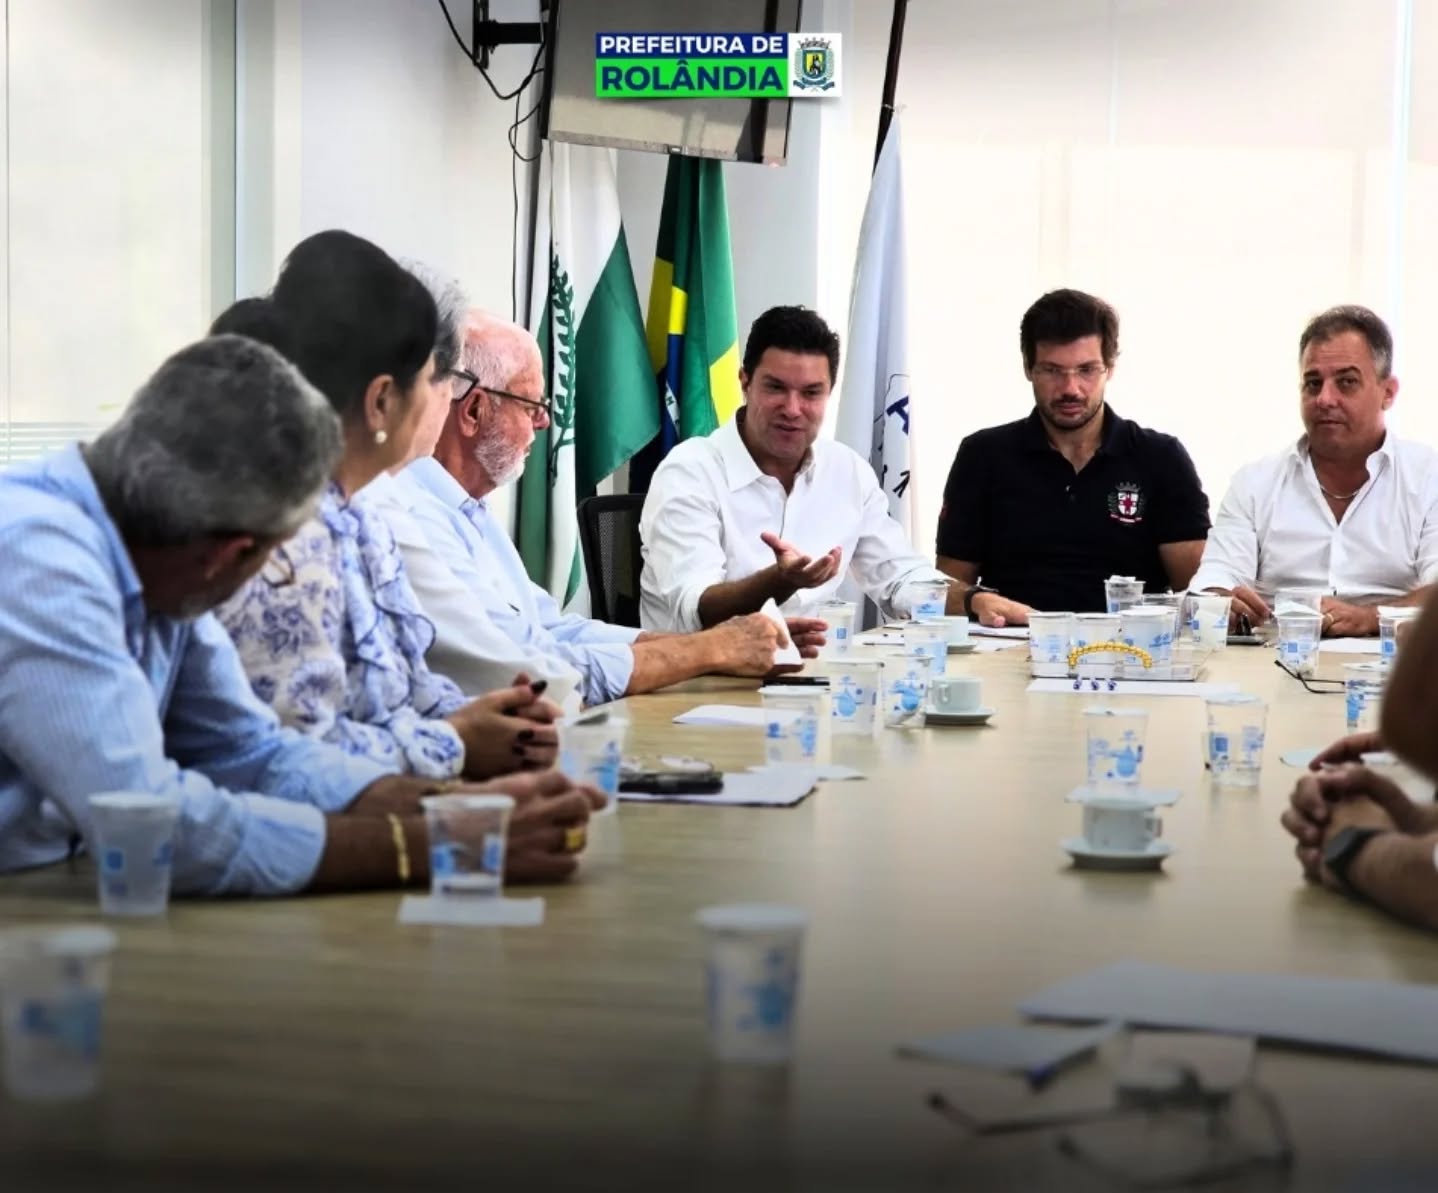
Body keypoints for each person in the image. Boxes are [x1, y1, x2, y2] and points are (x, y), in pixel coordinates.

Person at [0, 334, 598, 896]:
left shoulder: (158, 539)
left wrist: (453, 809)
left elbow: (251, 753)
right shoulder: (39, 559)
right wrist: (437, 843)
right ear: (232, 555)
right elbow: (145, 823)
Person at [215, 231, 561, 781]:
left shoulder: (364, 515)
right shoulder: (289, 540)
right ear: (381, 400)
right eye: (435, 379)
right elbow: (295, 753)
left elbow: (408, 687)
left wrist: (492, 719)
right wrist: (457, 742)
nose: (445, 400)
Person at [374, 311, 811, 706]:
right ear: (473, 410)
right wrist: (712, 650)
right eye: (533, 406)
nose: (545, 422)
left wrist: (736, 642)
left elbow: (554, 629)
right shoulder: (412, 516)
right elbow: (530, 670)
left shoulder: (467, 509)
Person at [639, 305, 951, 632]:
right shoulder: (689, 472)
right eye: (775, 388)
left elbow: (899, 577)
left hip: (817, 663)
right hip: (703, 664)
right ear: (745, 382)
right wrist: (780, 581)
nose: (792, 409)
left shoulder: (847, 470)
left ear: (829, 393)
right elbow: (697, 610)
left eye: (811, 393)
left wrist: (973, 599)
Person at [934, 289, 1210, 624]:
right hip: (1012, 641)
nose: (1070, 389)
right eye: (1052, 370)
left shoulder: (1162, 457)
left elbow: (1197, 594)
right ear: (1028, 368)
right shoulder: (982, 455)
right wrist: (975, 601)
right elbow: (946, 590)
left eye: (1086, 370)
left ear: (1110, 368)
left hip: (1131, 646)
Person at [1190, 305, 1438, 636]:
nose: (1324, 399)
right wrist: (1219, 601)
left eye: (1346, 382)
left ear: (1388, 393)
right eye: (1313, 383)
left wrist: (1370, 617)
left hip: (1391, 657)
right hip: (1276, 655)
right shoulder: (1255, 483)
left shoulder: (1427, 477)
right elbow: (1214, 580)